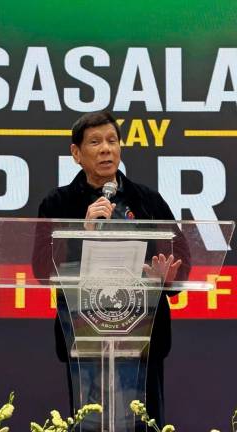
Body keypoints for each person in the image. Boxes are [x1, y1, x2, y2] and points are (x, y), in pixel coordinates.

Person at [36, 111, 190, 428]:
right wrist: (82, 231)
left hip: (143, 337)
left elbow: (182, 258)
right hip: (84, 333)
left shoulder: (147, 200)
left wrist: (167, 279)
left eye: (112, 140)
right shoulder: (58, 203)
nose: (106, 149)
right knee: (89, 422)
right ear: (76, 153)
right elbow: (41, 268)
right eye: (95, 142)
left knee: (145, 422)